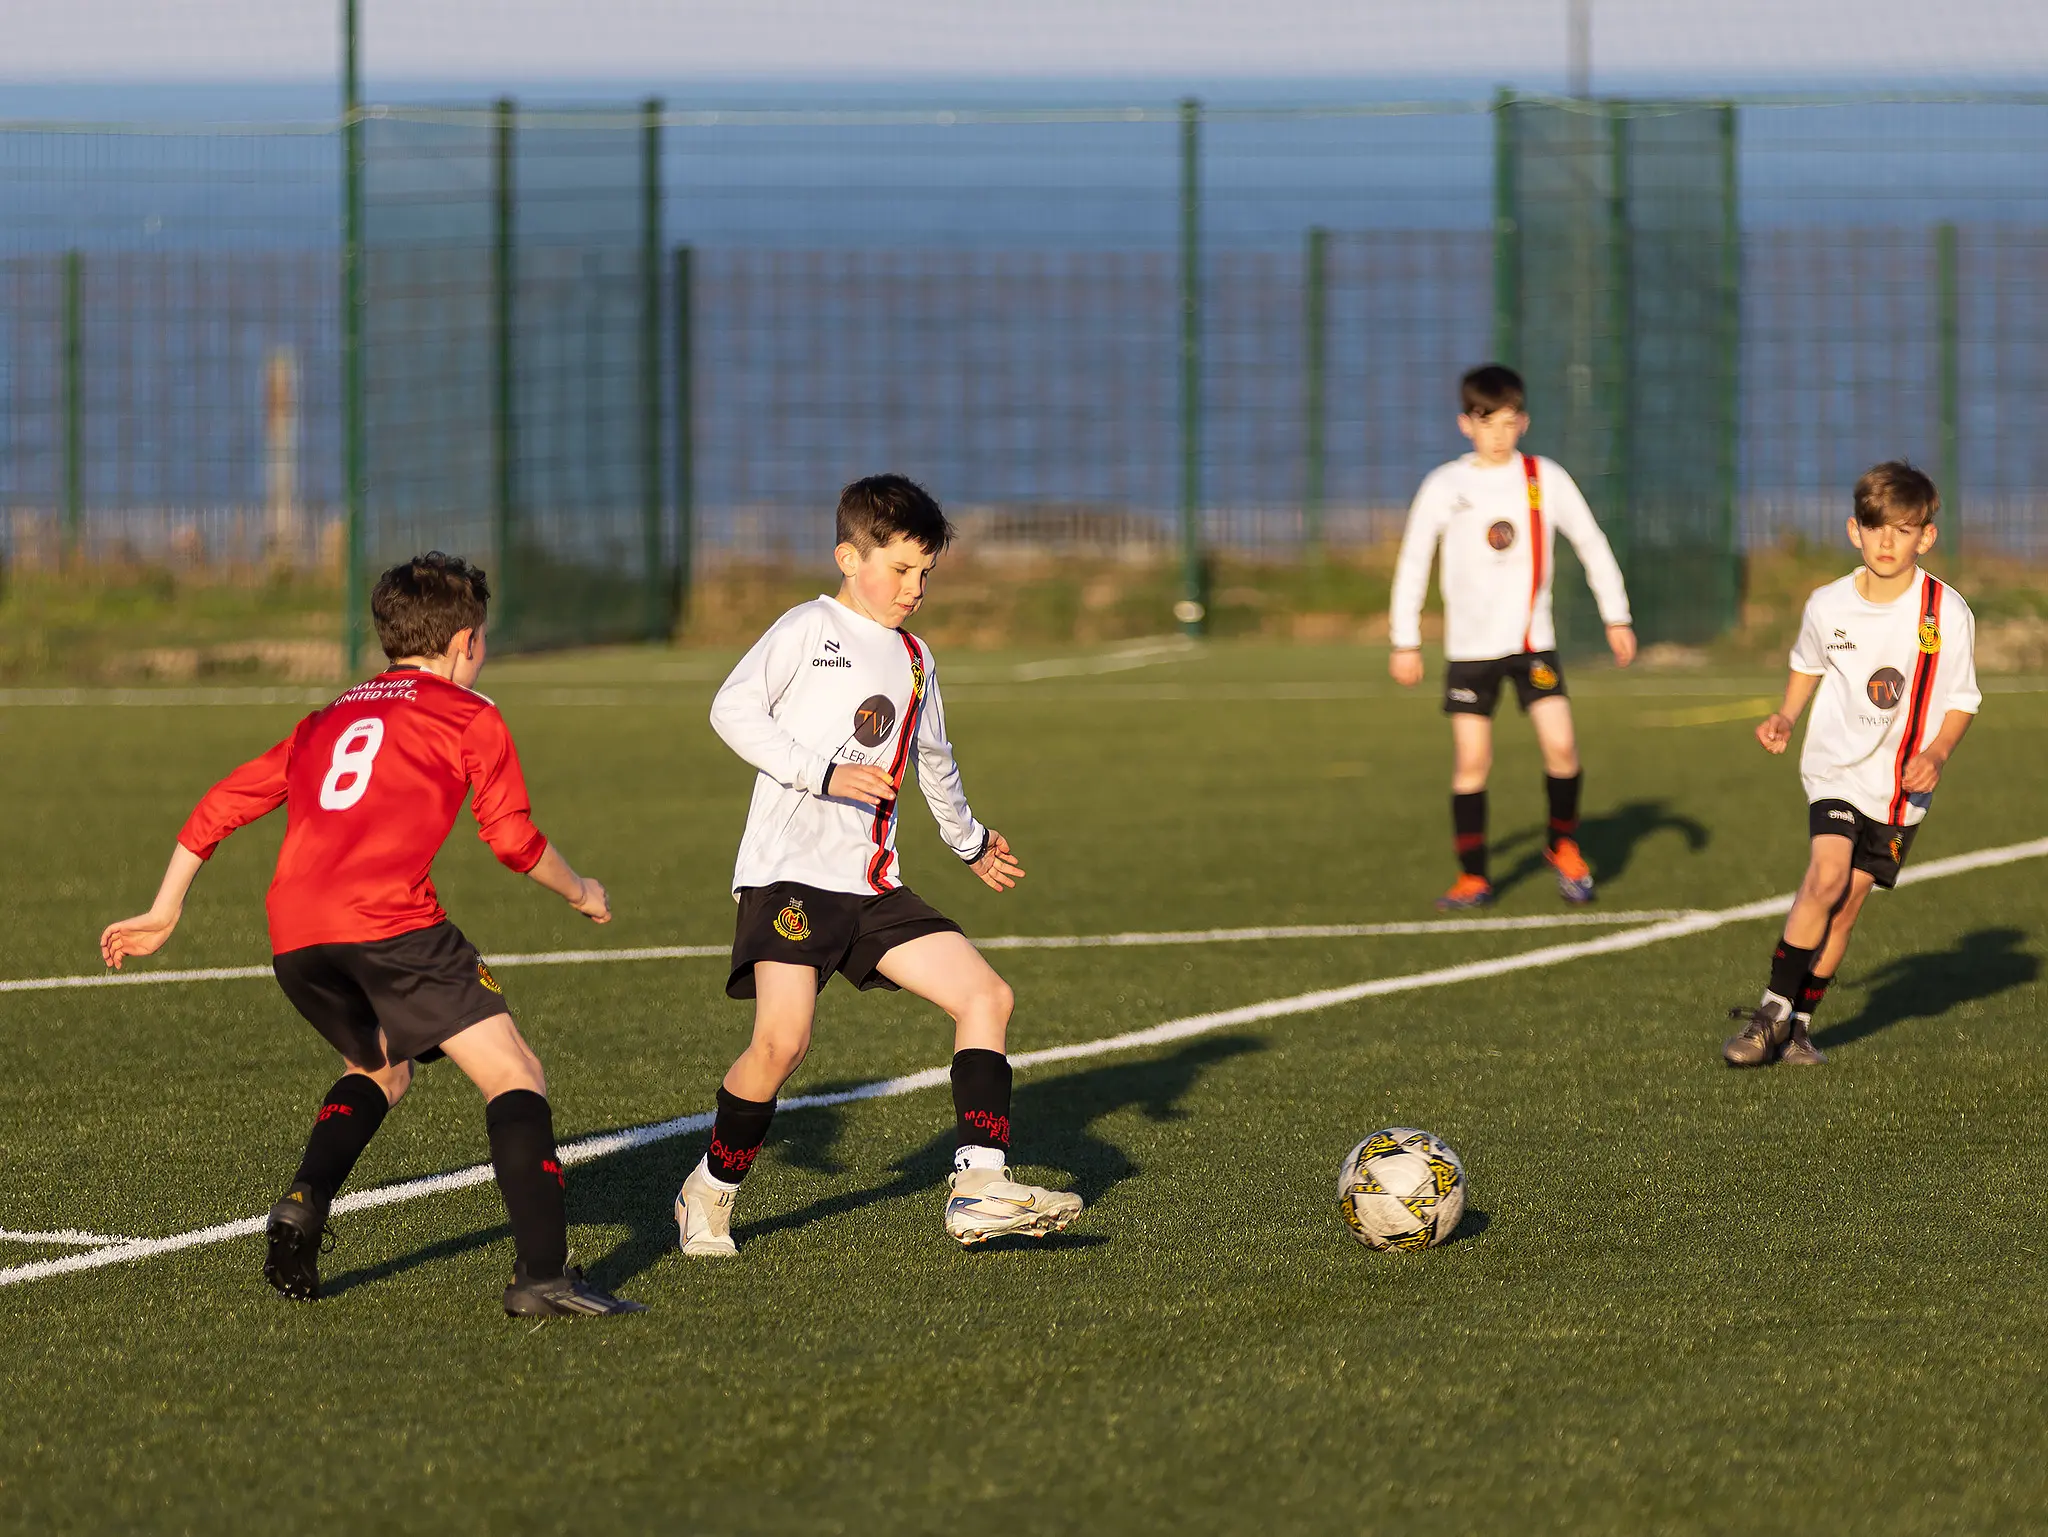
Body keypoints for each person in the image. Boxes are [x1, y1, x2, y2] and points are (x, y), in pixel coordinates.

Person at [99, 553, 642, 1317]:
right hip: (389, 923)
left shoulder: (326, 717)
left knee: (380, 1068)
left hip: (296, 934)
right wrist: (582, 889)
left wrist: (165, 909)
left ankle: (303, 1200)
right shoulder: (469, 714)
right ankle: (544, 1276)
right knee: (515, 1073)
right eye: (482, 637)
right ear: (466, 641)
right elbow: (512, 839)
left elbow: (221, 802)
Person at [675, 473, 1083, 1256]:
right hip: (791, 873)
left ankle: (979, 1184)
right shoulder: (807, 627)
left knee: (986, 995)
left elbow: (936, 760)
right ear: (848, 557)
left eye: (925, 573)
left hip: (870, 883)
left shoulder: (917, 658)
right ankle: (708, 1190)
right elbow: (731, 708)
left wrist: (970, 841)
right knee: (782, 1044)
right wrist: (822, 772)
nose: (913, 589)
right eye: (899, 569)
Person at [1724, 462, 1980, 1067]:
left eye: (1903, 529)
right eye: (1875, 527)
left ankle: (1799, 1028)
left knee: (1845, 911)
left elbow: (1962, 699)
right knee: (1826, 877)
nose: (1887, 542)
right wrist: (1786, 715)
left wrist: (1937, 753)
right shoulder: (1828, 604)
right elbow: (1807, 662)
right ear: (1853, 530)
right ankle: (1769, 1015)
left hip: (1899, 789)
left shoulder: (1945, 613)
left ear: (1926, 537)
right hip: (1835, 769)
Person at [1388, 364, 1638, 910]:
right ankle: (1473, 877)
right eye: (1487, 423)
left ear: (1523, 422)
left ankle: (1562, 845)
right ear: (1465, 423)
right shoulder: (1445, 485)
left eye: (1508, 422)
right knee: (1472, 761)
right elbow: (1413, 561)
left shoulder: (1543, 477)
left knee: (1562, 746)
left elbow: (1591, 542)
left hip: (1532, 645)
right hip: (1469, 652)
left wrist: (1616, 616)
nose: (1498, 434)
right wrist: (1405, 640)